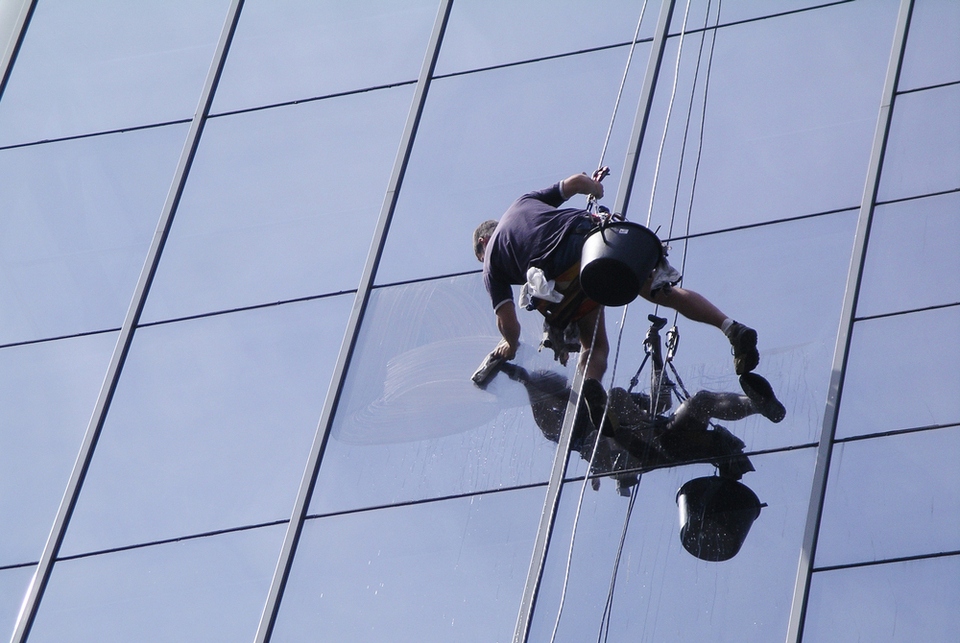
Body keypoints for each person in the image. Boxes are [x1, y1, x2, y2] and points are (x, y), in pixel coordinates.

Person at [473, 172, 760, 385]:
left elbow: (509, 324)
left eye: (480, 256)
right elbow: (576, 183)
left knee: (594, 346)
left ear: (484, 242)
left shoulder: (491, 262)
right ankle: (730, 327)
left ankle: (590, 391)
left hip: (564, 273)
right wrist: (595, 188)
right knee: (662, 292)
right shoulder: (522, 203)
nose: (483, 262)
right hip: (593, 242)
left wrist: (509, 344)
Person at [498, 362, 785, 484]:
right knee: (616, 401)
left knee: (700, 401)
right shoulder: (565, 427)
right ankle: (617, 431)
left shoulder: (599, 399)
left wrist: (657, 352)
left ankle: (759, 405)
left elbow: (661, 403)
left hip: (662, 438)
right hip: (630, 453)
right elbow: (546, 421)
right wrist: (526, 382)